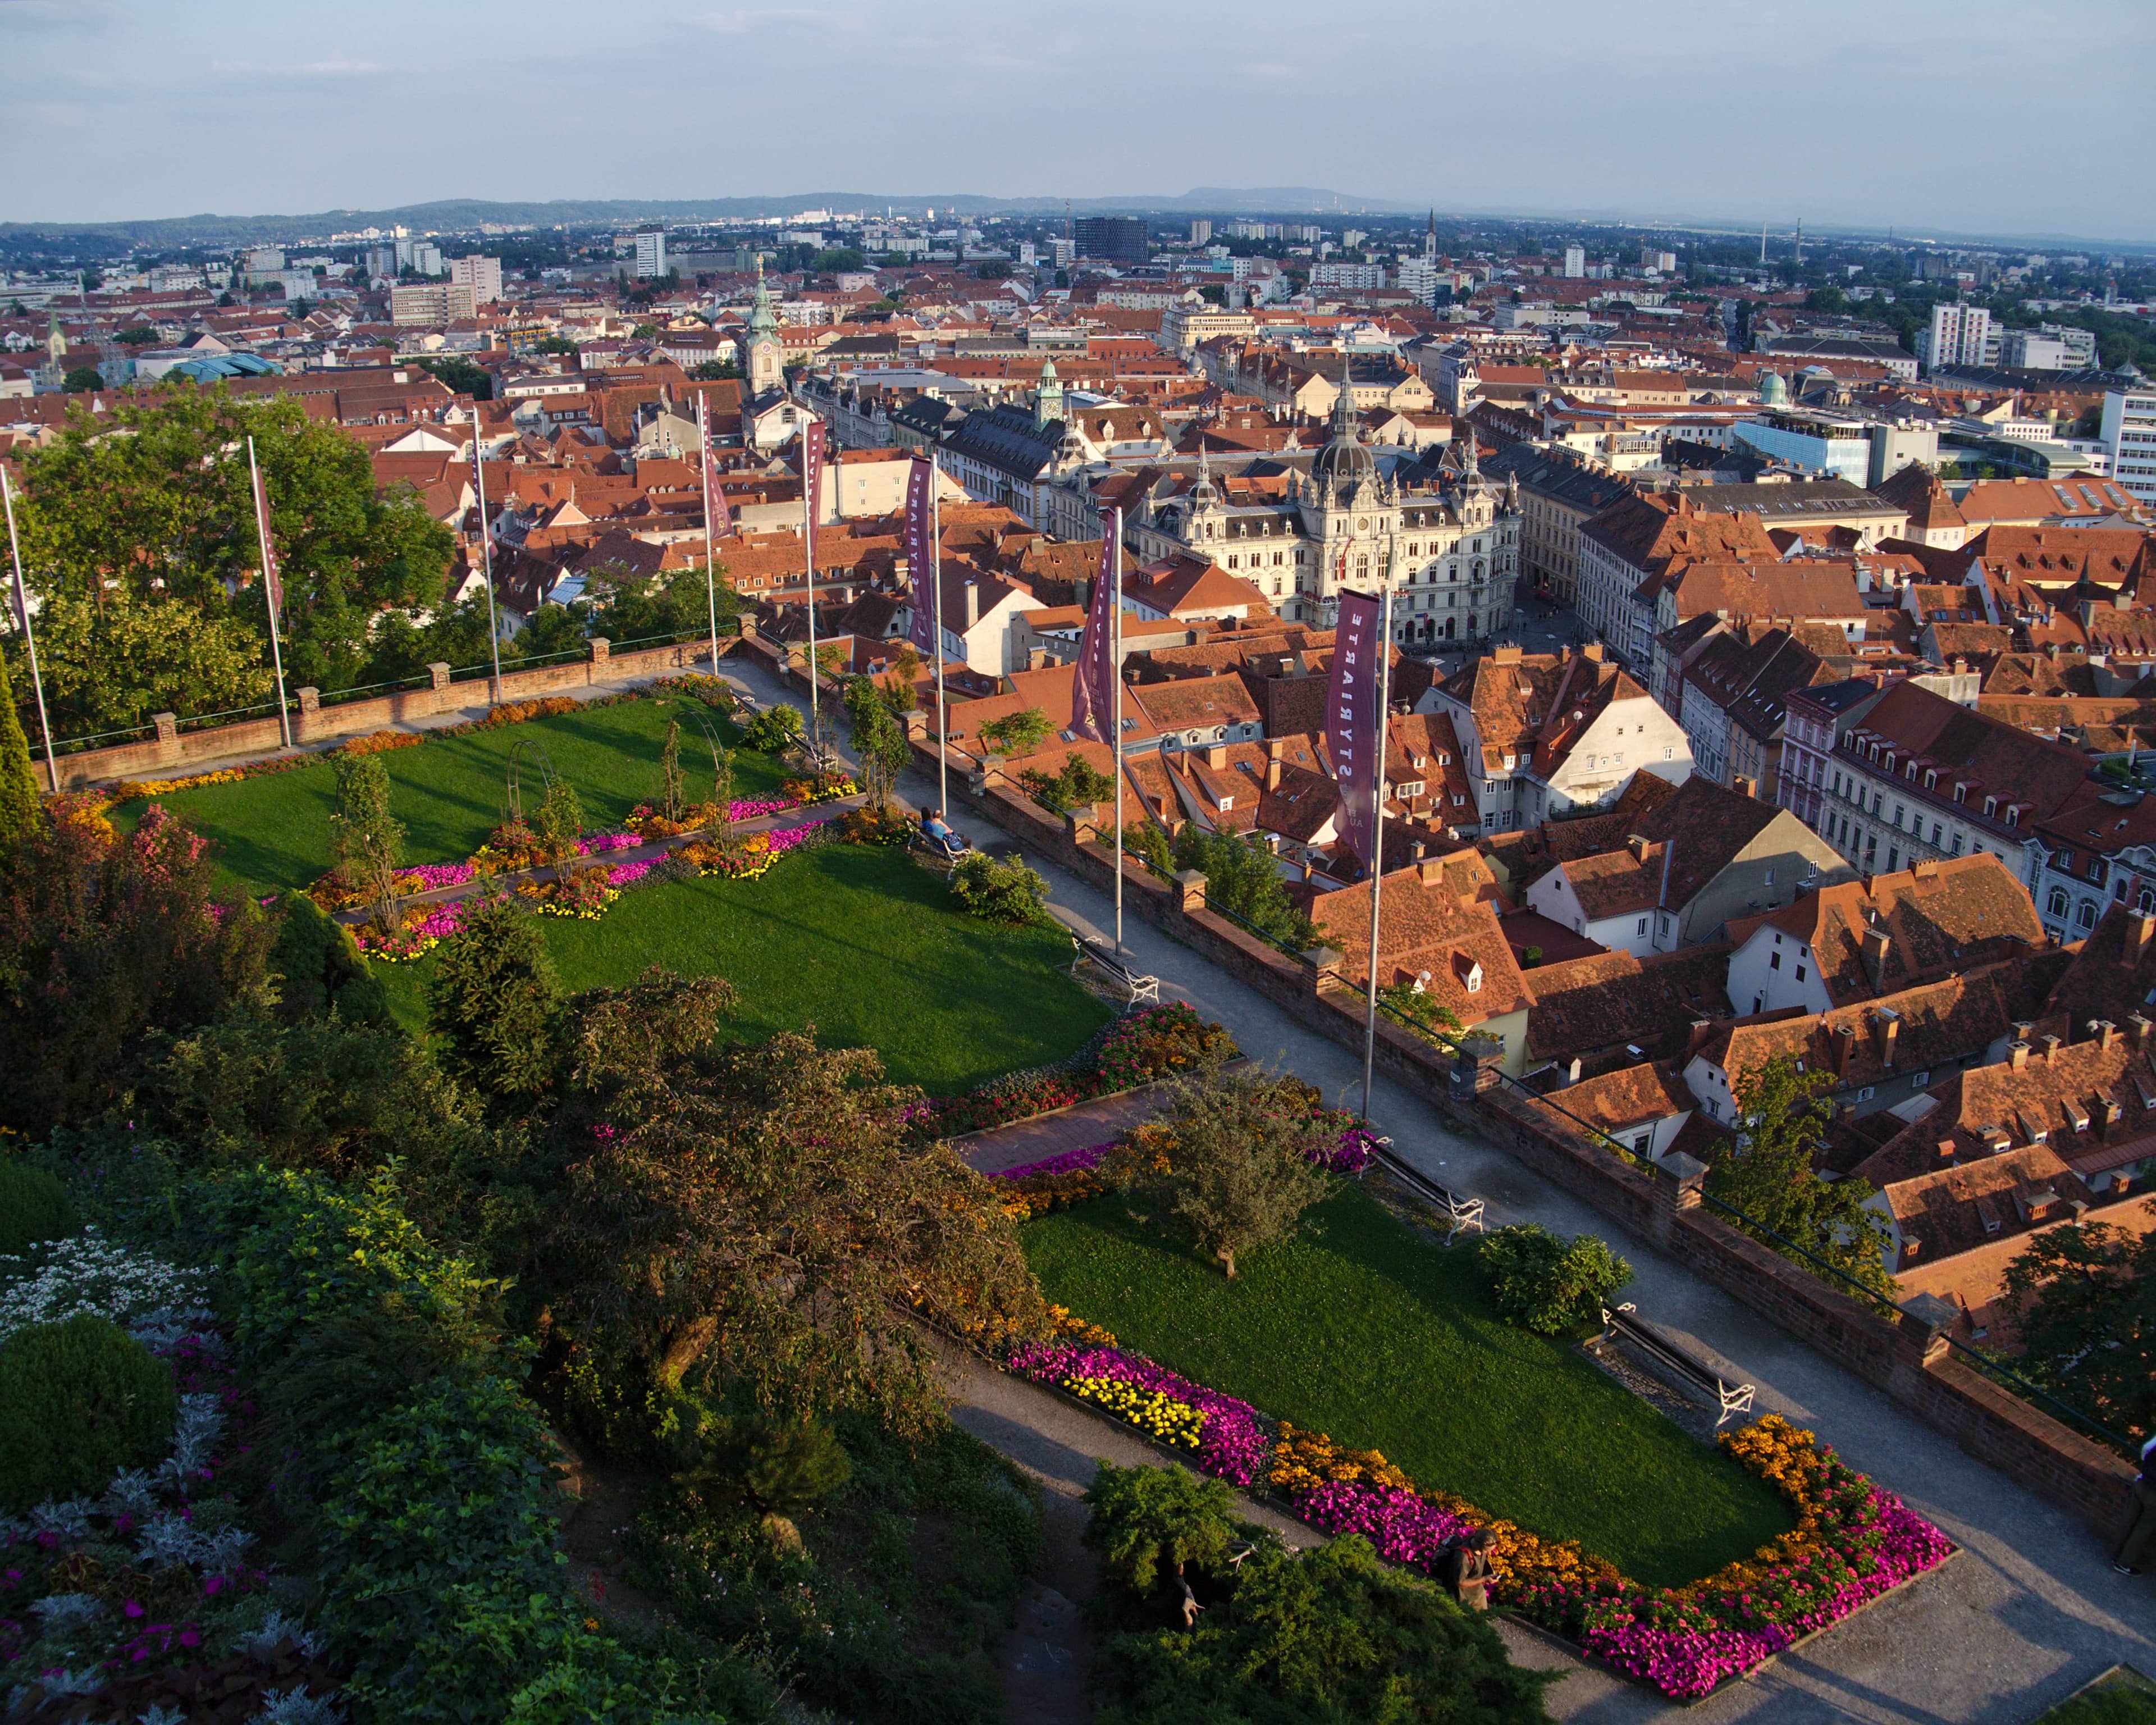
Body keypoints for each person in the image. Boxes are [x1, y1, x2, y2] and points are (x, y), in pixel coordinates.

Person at [2114, 1433, 2156, 1575]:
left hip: (2143, 1482)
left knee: (2128, 1519)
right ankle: (2124, 1563)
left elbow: (2147, 1448)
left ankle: (2116, 1552)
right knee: (2143, 1530)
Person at [1436, 1528, 1495, 1611]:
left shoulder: (1476, 1543)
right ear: (1479, 1545)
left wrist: (1490, 1574)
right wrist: (1484, 1579)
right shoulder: (1463, 1556)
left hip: (1477, 1597)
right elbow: (1461, 1582)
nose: (1489, 1553)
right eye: (1487, 1551)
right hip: (1464, 1600)